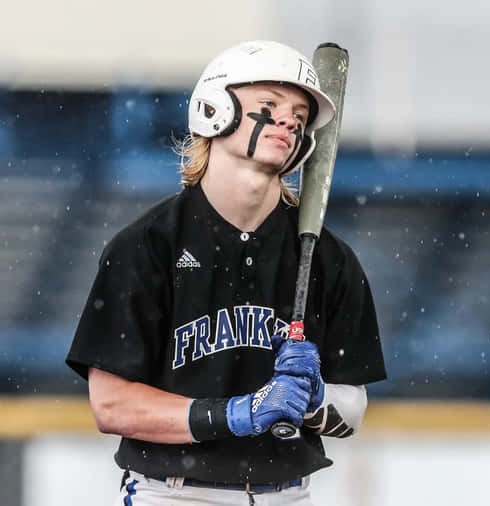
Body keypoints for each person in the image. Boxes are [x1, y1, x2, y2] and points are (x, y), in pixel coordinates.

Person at [65, 40, 387, 505]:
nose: (288, 121)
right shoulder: (147, 246)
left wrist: (314, 398)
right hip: (173, 495)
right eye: (269, 105)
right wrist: (237, 414)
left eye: (300, 115)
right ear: (214, 108)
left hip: (287, 496)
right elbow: (111, 405)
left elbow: (353, 410)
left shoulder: (329, 259)